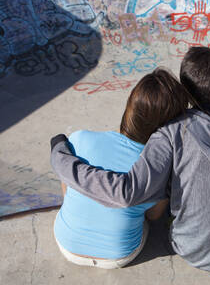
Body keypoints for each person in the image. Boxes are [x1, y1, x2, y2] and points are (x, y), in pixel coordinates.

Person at [50, 47, 210, 274]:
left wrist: (61, 157)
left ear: (185, 90)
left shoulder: (171, 132)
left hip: (195, 250)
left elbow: (126, 193)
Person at [53, 68, 190, 269]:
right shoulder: (158, 168)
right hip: (119, 255)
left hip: (66, 243)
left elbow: (66, 183)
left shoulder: (79, 139)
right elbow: (153, 216)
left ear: (130, 107)